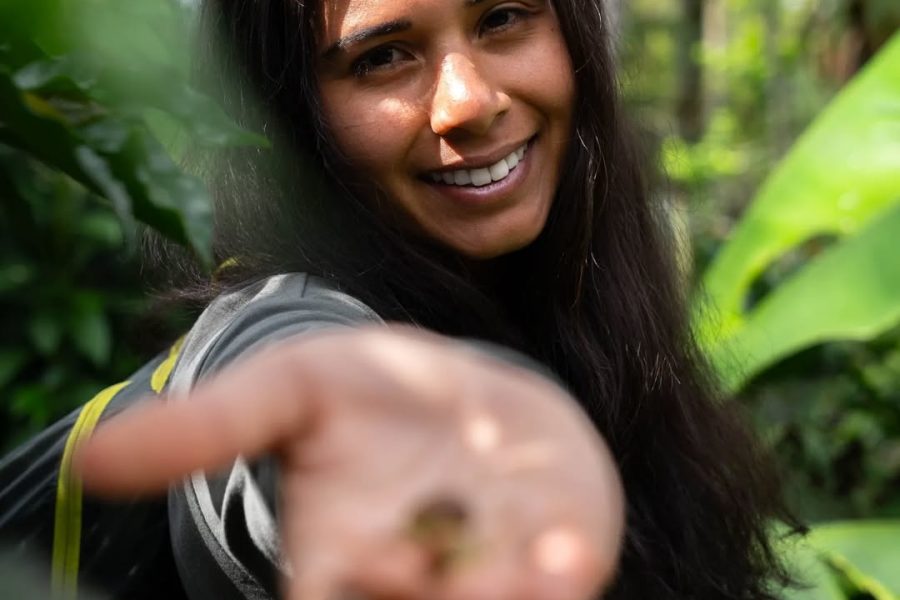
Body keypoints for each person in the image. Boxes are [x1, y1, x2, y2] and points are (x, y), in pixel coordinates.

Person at [2, 0, 798, 598]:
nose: (469, 100)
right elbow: (293, 369)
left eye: (503, 17)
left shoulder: (590, 317)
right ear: (288, 122)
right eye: (382, 58)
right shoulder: (277, 326)